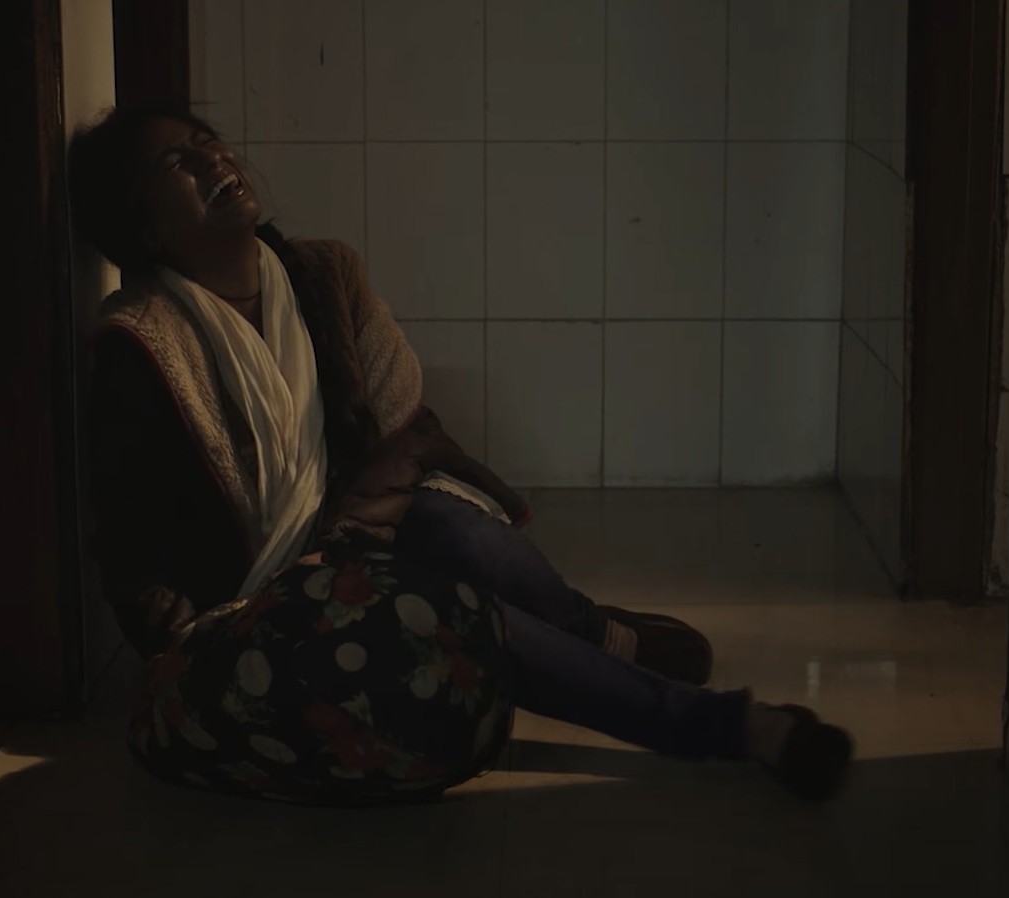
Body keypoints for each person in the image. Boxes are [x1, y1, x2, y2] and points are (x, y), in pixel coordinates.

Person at [69, 104, 853, 806]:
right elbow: (134, 558)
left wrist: (360, 527)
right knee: (456, 614)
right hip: (258, 617)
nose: (212, 159)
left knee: (452, 529)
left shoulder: (320, 275)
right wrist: (205, 641)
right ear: (145, 228)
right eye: (177, 162)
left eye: (208, 141)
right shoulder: (142, 345)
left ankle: (591, 634)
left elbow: (398, 424)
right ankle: (725, 724)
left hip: (353, 540)